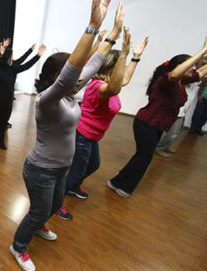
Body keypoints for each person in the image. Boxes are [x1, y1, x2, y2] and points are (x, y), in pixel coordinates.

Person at [10, 0, 114, 271]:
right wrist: (92, 27)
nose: (81, 79)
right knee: (39, 210)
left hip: (59, 168)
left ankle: (42, 223)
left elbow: (92, 64)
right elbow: (73, 73)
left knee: (55, 204)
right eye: (73, 76)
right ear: (59, 78)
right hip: (40, 169)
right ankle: (19, 246)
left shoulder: (71, 95)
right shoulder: (47, 100)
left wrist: (113, 36)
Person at [57, 30, 149, 220]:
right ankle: (56, 202)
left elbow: (123, 80)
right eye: (120, 67)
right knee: (76, 172)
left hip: (92, 136)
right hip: (83, 134)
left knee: (94, 164)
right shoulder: (99, 87)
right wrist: (124, 53)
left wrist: (136, 57)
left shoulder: (108, 85)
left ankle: (72, 186)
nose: (122, 72)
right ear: (111, 69)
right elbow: (117, 85)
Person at [107, 39, 207, 197]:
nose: (194, 69)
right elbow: (175, 74)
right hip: (146, 123)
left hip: (157, 125)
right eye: (191, 66)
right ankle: (119, 184)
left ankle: (121, 177)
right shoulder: (167, 80)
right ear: (179, 67)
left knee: (143, 155)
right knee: (145, 156)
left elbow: (200, 73)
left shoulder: (182, 81)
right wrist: (202, 52)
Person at [0, 40, 46, 156]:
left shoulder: (14, 68)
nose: (13, 59)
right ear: (7, 57)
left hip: (6, 103)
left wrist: (37, 55)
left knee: (2, 124)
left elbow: (26, 64)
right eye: (11, 56)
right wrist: (0, 55)